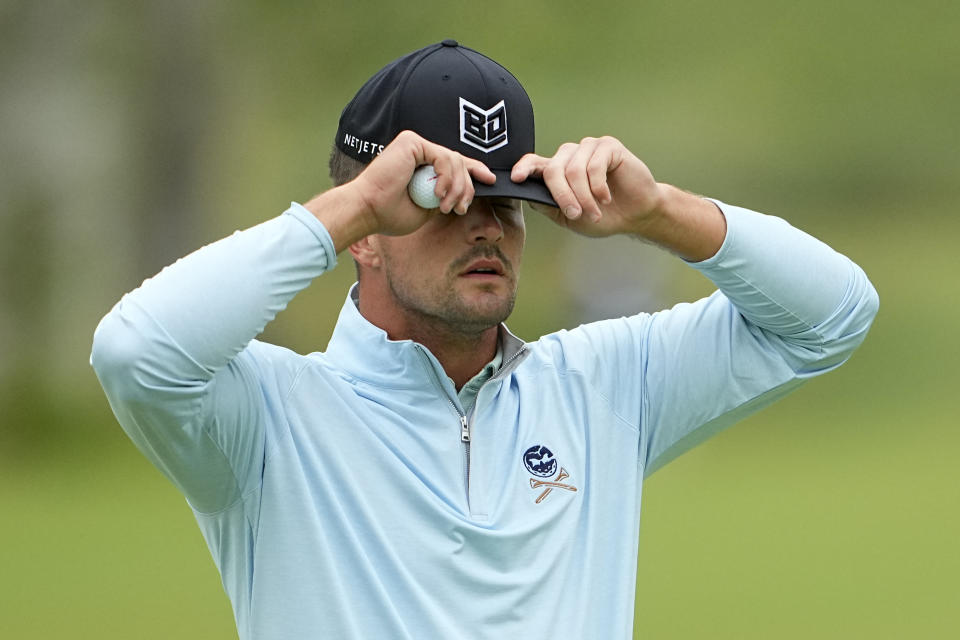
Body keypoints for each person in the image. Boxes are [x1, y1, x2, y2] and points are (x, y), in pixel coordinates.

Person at [90, 40, 878, 640]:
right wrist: (351, 207)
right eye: (445, 201)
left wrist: (658, 212)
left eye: (505, 202)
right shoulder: (267, 418)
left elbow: (833, 314)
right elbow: (137, 352)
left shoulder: (603, 387)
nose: (485, 227)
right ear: (369, 230)